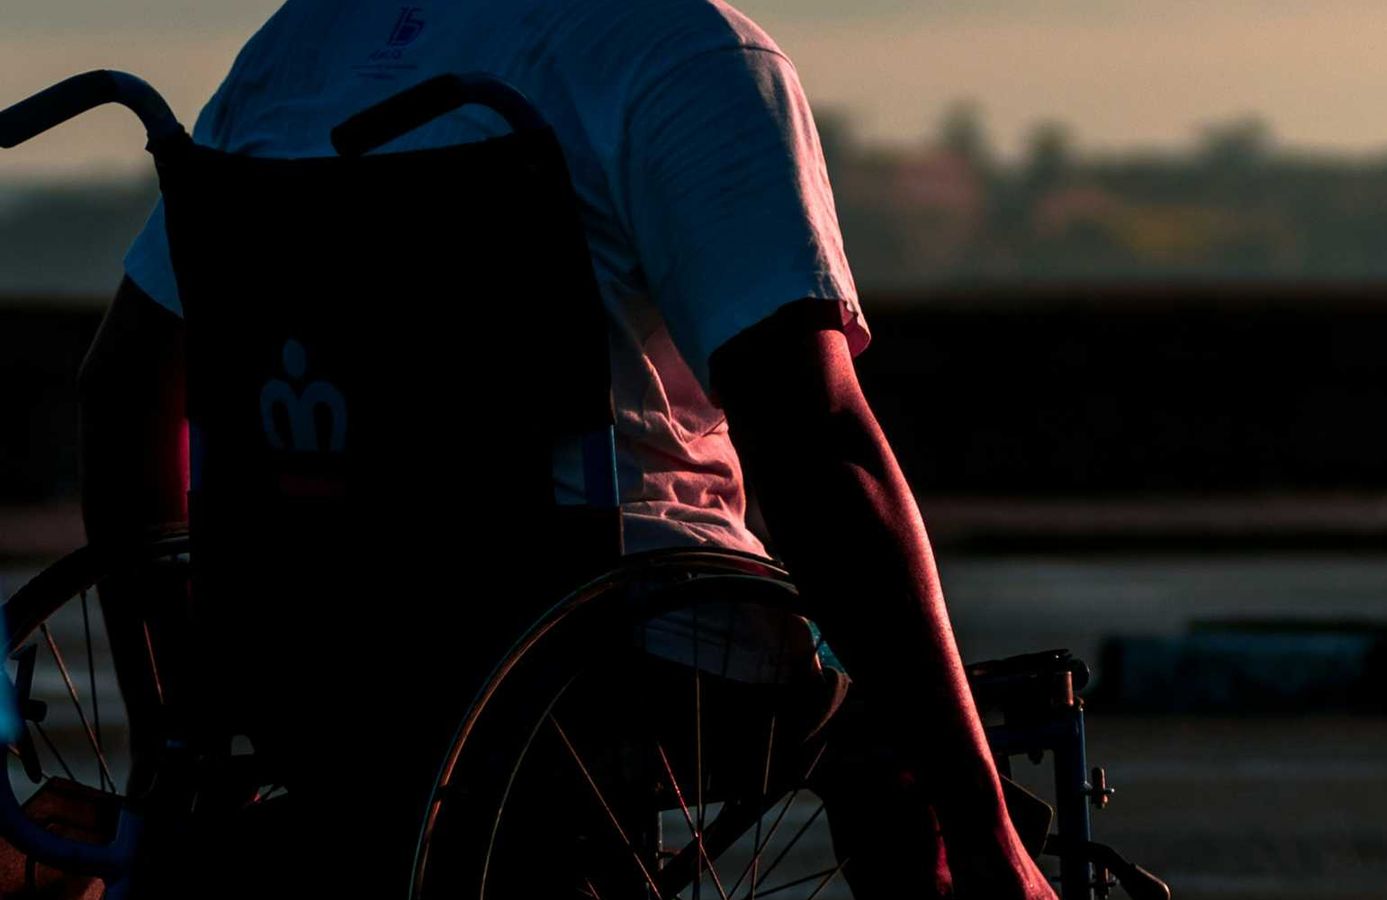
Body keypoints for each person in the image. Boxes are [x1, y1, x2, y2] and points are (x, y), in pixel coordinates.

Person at [77, 0, 1055, 896]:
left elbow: (124, 389)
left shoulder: (298, 48)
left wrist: (173, 731)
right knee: (896, 726)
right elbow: (817, 447)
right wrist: (984, 828)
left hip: (307, 653)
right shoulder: (680, 52)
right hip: (600, 649)